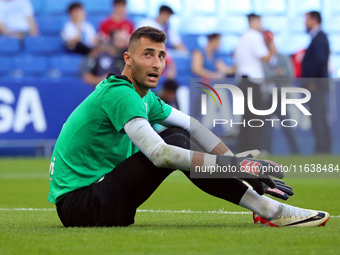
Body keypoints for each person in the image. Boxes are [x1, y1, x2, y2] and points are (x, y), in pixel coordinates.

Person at [48, 26, 329, 228]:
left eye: (160, 55)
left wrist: (237, 166)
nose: (157, 63)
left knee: (179, 134)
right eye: (148, 54)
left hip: (101, 200)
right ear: (128, 59)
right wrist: (232, 166)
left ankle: (264, 207)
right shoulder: (120, 93)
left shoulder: (142, 97)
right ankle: (271, 210)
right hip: (82, 206)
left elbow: (193, 125)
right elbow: (160, 154)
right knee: (174, 142)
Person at [234, 13, 276, 152]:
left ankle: (243, 150)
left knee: (246, 119)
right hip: (252, 82)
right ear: (255, 21)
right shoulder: (255, 36)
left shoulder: (242, 38)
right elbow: (267, 57)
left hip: (242, 82)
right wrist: (271, 44)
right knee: (256, 119)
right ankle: (254, 150)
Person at [261, 30, 300, 154]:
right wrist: (277, 73)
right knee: (265, 126)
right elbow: (265, 75)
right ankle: (267, 151)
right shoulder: (262, 58)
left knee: (287, 124)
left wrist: (275, 75)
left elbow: (289, 75)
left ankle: (296, 152)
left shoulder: (282, 57)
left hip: (279, 95)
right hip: (266, 95)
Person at [301, 11, 331, 154]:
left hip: (316, 86)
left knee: (318, 118)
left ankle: (322, 150)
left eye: (306, 20)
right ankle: (324, 149)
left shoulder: (319, 38)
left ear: (314, 20)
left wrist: (313, 81)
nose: (304, 23)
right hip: (317, 85)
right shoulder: (317, 37)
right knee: (320, 118)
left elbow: (319, 61)